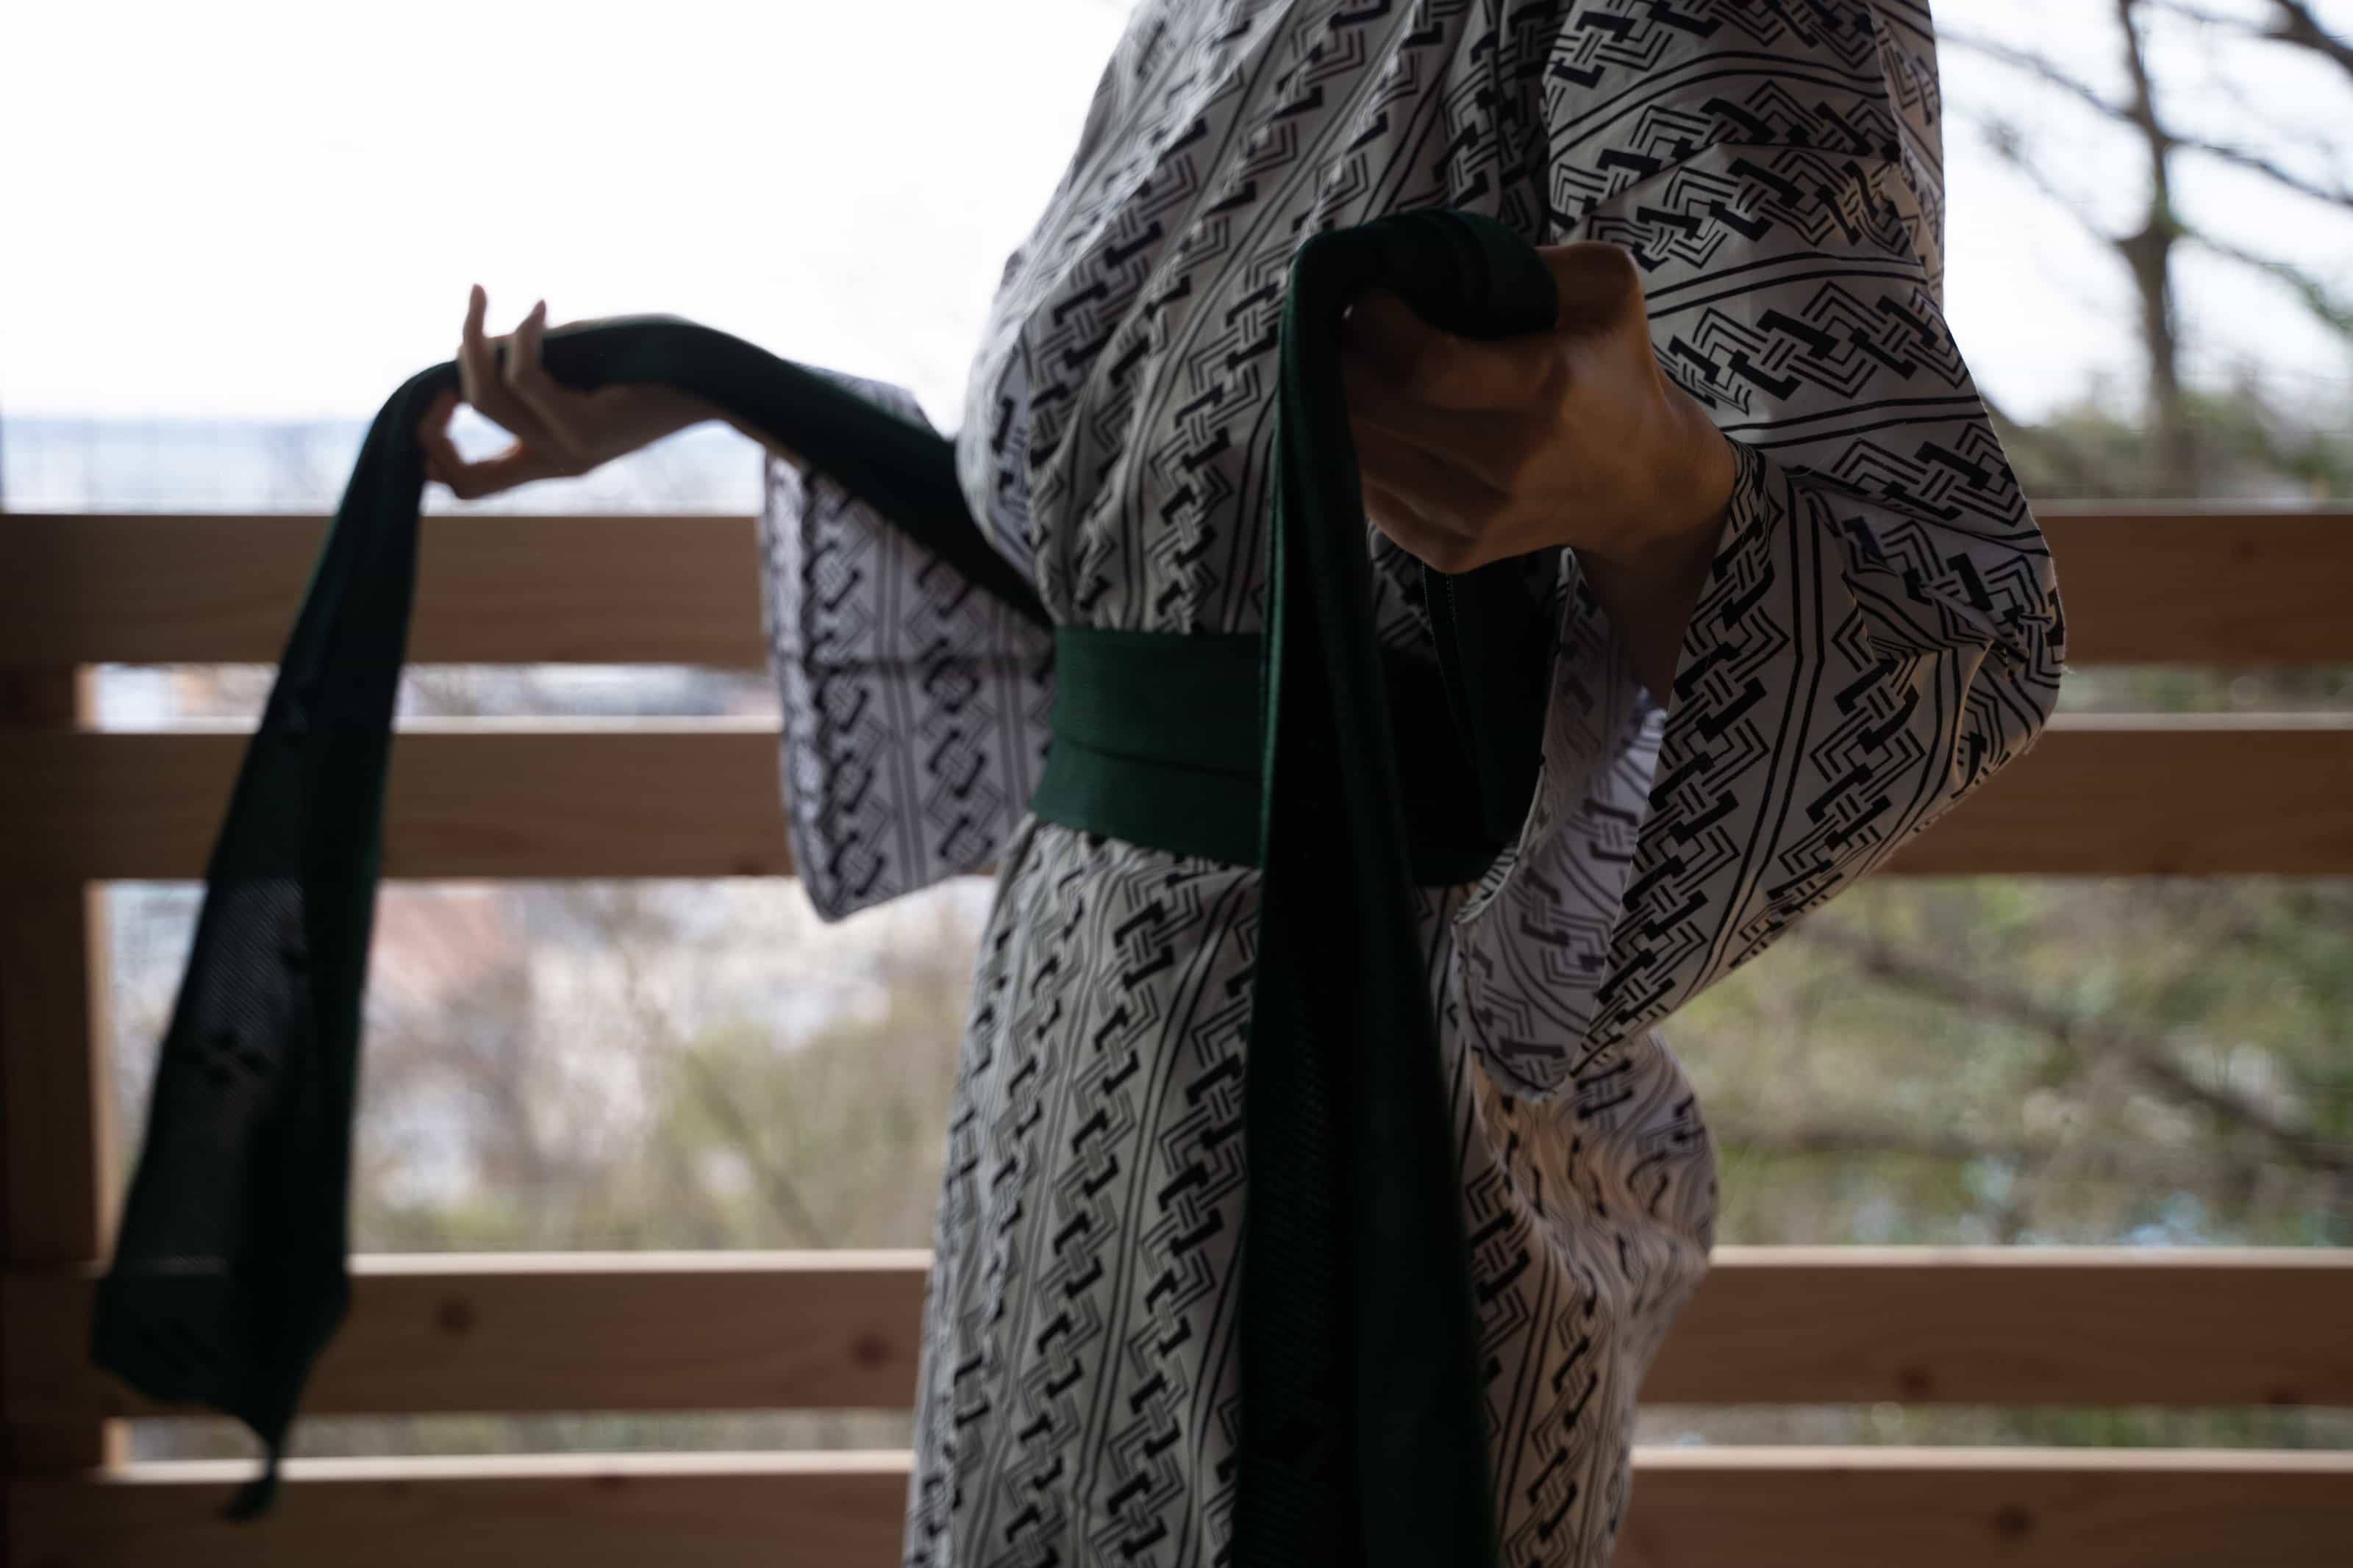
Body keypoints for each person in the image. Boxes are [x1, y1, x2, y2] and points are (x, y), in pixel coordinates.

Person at [418, 2, 2065, 1564]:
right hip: (1059, 1091)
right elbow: (1128, 583)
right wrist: (705, 382)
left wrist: (1651, 488)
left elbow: (1933, 622)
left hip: (1363, 1116)